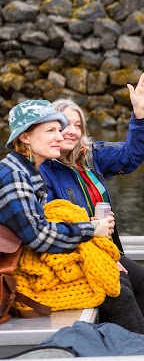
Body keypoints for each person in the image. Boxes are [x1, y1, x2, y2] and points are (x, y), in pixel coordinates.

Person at [40, 73, 144, 334]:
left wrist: (140, 114)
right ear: (50, 129)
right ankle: (136, 347)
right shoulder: (44, 169)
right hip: (77, 251)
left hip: (106, 247)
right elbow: (51, 222)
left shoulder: (90, 156)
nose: (72, 131)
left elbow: (131, 156)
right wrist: (92, 232)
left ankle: (142, 344)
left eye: (78, 125)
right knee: (126, 288)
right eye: (64, 124)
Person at [0, 100, 125, 319]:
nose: (60, 137)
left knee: (119, 282)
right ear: (25, 137)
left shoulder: (28, 170)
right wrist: (91, 230)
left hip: (30, 264)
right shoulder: (15, 175)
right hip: (20, 278)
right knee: (118, 293)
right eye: (51, 131)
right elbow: (39, 236)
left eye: (59, 130)